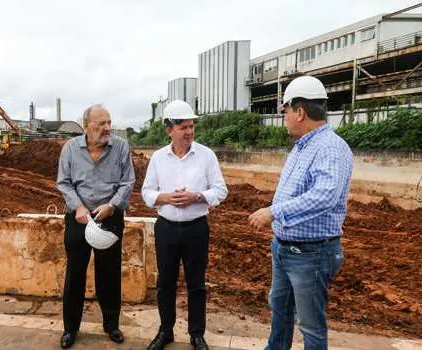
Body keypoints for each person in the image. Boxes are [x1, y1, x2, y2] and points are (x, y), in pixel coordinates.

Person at [247, 76, 353, 350]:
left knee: (310, 325)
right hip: (284, 249)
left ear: (299, 112)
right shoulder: (302, 147)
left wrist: (274, 211)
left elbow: (325, 195)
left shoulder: (330, 147)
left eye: (285, 111)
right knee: (280, 311)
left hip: (312, 254)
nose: (284, 117)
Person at [142, 100, 228, 350]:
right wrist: (166, 197)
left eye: (191, 126)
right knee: (165, 283)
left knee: (196, 284)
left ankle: (196, 334)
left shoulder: (206, 155)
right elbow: (147, 192)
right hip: (166, 228)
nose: (189, 132)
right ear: (169, 130)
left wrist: (197, 196)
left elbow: (220, 190)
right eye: (183, 127)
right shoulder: (158, 158)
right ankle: (165, 331)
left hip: (196, 229)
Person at [56, 104, 135, 349]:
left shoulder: (121, 147)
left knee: (109, 274)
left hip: (109, 218)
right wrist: (78, 207)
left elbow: (128, 181)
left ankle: (111, 325)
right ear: (86, 125)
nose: (107, 128)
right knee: (75, 274)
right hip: (78, 220)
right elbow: (64, 182)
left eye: (109, 122)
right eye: (101, 123)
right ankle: (71, 329)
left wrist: (112, 205)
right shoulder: (70, 149)